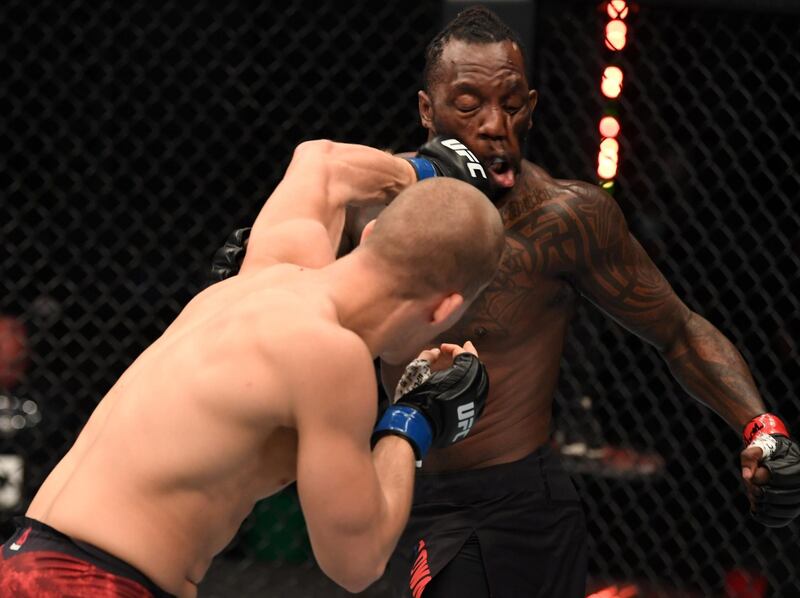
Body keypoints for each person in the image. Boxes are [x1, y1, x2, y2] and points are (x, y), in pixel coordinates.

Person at [212, 7, 800, 598]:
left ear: (532, 106)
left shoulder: (565, 221)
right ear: (427, 110)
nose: (495, 125)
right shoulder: (372, 210)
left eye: (513, 103)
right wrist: (256, 278)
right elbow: (289, 318)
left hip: (526, 502)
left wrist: (761, 425)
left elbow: (677, 329)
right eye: (468, 105)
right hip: (409, 486)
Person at [0, 138, 507, 597]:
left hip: (27, 557)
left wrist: (426, 171)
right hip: (91, 585)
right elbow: (357, 562)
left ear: (372, 232)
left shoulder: (270, 265)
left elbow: (321, 162)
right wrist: (414, 417)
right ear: (445, 309)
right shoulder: (332, 357)